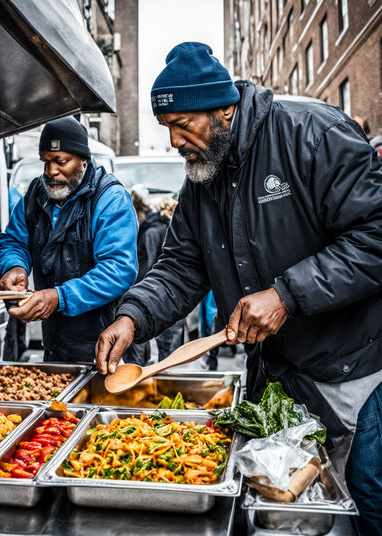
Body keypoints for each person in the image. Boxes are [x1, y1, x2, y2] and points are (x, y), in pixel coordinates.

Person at [95, 42, 382, 535]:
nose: (175, 142)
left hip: (352, 367)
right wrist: (133, 316)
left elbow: (375, 234)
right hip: (279, 376)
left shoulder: (311, 132)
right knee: (286, 511)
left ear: (223, 109)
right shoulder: (201, 180)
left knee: (367, 497)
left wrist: (286, 295)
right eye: (168, 129)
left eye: (183, 126)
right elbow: (181, 265)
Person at [0, 116, 138, 363]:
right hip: (55, 342)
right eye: (45, 162)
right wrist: (14, 267)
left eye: (61, 161)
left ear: (83, 160)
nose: (51, 171)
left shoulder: (110, 199)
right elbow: (13, 240)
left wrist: (59, 297)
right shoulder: (36, 194)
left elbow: (119, 269)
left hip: (105, 344)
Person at [125, 194, 184, 366]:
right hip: (159, 293)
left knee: (155, 347)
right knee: (167, 350)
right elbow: (148, 266)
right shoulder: (162, 231)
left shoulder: (156, 229)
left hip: (156, 292)